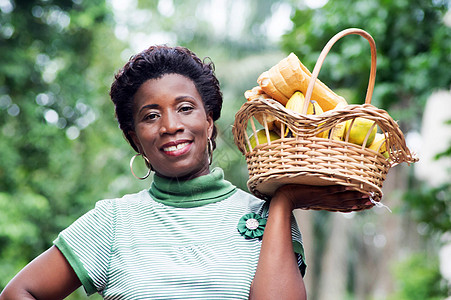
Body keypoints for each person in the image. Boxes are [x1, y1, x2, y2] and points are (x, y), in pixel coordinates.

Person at [1, 45, 367, 300]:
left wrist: (284, 202)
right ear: (135, 140)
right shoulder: (112, 222)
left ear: (209, 124)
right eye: (150, 116)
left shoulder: (266, 215)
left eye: (186, 108)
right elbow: (19, 292)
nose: (170, 125)